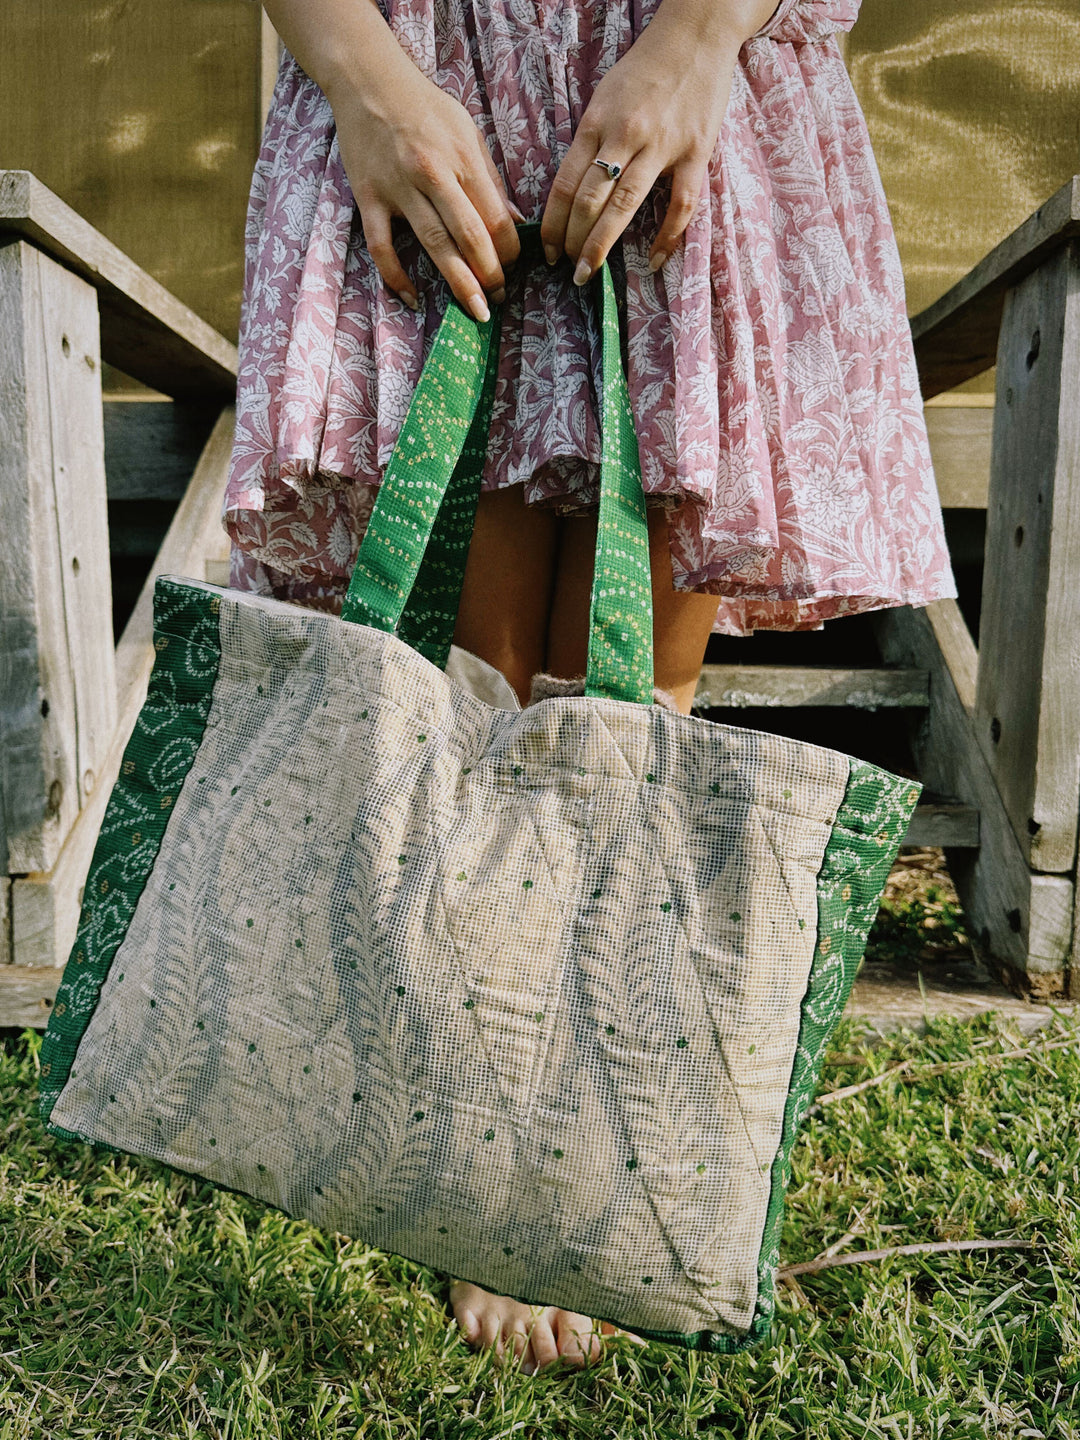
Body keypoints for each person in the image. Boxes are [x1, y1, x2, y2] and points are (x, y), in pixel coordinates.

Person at [223, 0, 956, 1375]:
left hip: (688, 58)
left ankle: (565, 1128)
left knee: (627, 710)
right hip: (431, 78)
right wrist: (364, 79)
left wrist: (696, 43)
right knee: (465, 689)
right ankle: (477, 1133)